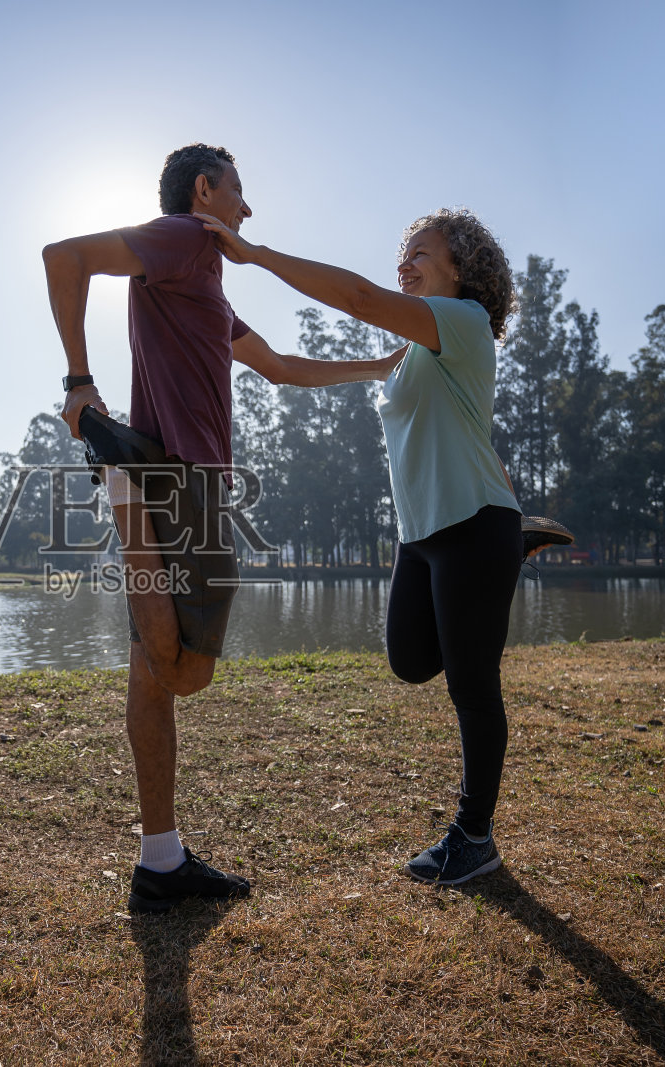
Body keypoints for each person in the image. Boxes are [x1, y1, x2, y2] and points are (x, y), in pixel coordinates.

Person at [43, 144, 398, 912]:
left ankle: (159, 861)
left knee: (152, 671)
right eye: (239, 191)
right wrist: (78, 376)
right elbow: (63, 256)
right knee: (189, 670)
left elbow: (275, 366)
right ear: (206, 190)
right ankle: (120, 479)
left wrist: (374, 368)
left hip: (174, 472)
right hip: (186, 478)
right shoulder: (183, 237)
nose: (247, 208)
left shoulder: (205, 280)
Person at [197, 205, 527, 885]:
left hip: (470, 524)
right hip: (423, 534)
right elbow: (303, 369)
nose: (405, 265)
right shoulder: (412, 350)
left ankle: (474, 836)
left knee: (471, 682)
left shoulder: (462, 323)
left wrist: (255, 254)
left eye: (422, 254)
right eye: (403, 254)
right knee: (410, 661)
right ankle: (507, 558)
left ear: (462, 269)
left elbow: (356, 298)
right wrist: (223, 333)